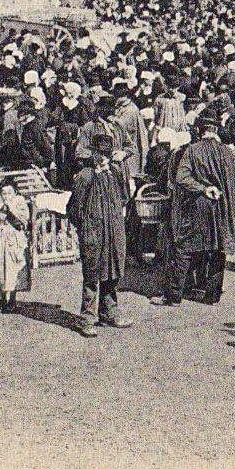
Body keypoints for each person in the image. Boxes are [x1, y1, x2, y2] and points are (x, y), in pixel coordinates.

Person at [168, 114, 235, 304]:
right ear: (216, 130)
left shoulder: (192, 150)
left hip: (199, 206)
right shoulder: (229, 153)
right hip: (223, 207)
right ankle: (212, 295)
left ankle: (174, 296)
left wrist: (203, 188)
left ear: (199, 130)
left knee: (184, 249)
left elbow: (181, 178)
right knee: (218, 249)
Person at [68, 131, 132, 337]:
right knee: (92, 275)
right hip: (93, 232)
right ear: (93, 153)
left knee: (112, 272)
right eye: (99, 153)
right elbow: (74, 208)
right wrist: (85, 227)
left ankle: (109, 313)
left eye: (106, 153)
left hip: (113, 230)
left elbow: (125, 198)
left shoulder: (115, 173)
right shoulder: (85, 176)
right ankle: (87, 318)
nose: (103, 157)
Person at [0, 181, 32, 313]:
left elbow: (23, 220)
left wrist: (10, 209)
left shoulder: (19, 202)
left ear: (15, 192)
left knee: (13, 269)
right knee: (0, 269)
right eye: (4, 193)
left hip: (14, 239)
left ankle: (12, 301)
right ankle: (2, 301)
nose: (6, 196)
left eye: (9, 193)